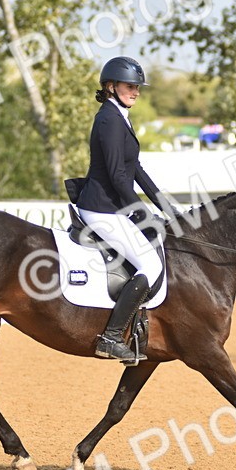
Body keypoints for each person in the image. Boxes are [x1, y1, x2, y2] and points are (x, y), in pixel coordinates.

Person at [77, 56, 178, 363]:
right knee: (150, 266)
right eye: (130, 86)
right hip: (101, 208)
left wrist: (165, 206)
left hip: (114, 208)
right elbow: (116, 175)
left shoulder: (120, 115)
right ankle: (109, 338)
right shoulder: (108, 118)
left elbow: (135, 168)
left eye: (137, 87)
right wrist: (141, 212)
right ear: (111, 86)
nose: (136, 91)